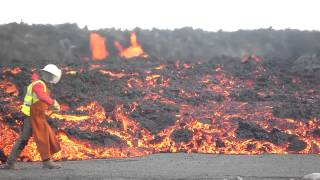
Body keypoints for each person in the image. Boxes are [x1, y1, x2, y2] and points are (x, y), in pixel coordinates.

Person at [1, 64, 62, 169]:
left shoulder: (37, 83)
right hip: (33, 116)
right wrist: (53, 103)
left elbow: (39, 100)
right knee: (41, 136)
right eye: (50, 76)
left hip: (34, 115)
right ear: (46, 74)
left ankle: (10, 163)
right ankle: (46, 162)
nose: (51, 78)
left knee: (29, 138)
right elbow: (41, 96)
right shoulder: (39, 84)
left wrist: (49, 107)